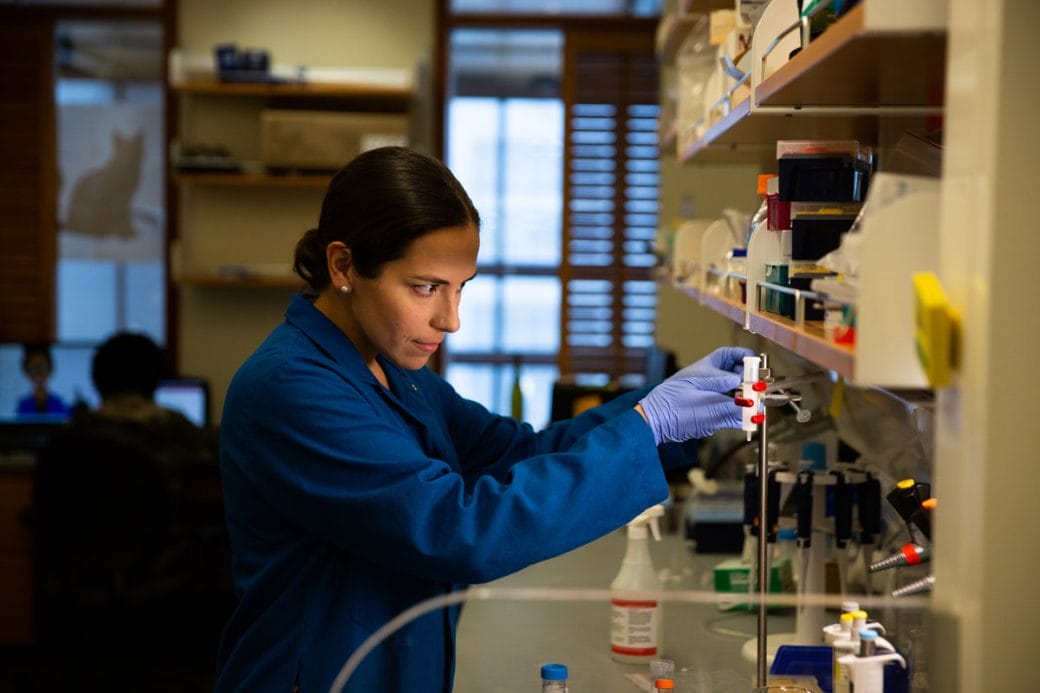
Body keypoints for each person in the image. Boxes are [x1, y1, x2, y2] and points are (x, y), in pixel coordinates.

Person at [215, 146, 754, 692]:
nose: (450, 320)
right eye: (426, 287)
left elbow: (519, 451)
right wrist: (647, 426)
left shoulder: (393, 369)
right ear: (344, 266)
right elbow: (456, 528)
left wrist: (665, 408)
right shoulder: (291, 387)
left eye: (461, 288)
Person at [16, 343, 70, 418]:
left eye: (42, 367)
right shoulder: (23, 405)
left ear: (50, 369)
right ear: (26, 372)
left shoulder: (59, 404)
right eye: (34, 368)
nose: (39, 373)